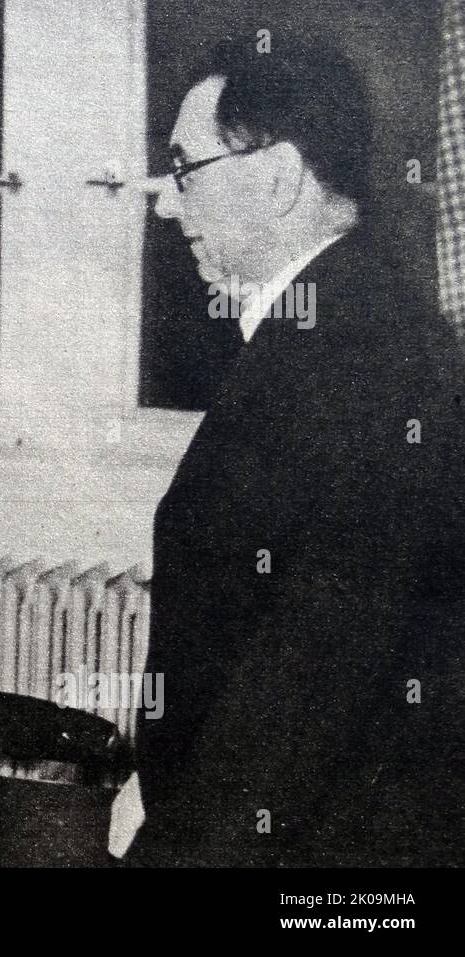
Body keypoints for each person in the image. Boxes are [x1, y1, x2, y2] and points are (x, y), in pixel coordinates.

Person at [127, 41, 465, 865]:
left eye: (185, 169)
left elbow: (300, 700)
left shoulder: (360, 356)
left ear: (278, 176)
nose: (169, 207)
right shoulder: (333, 325)